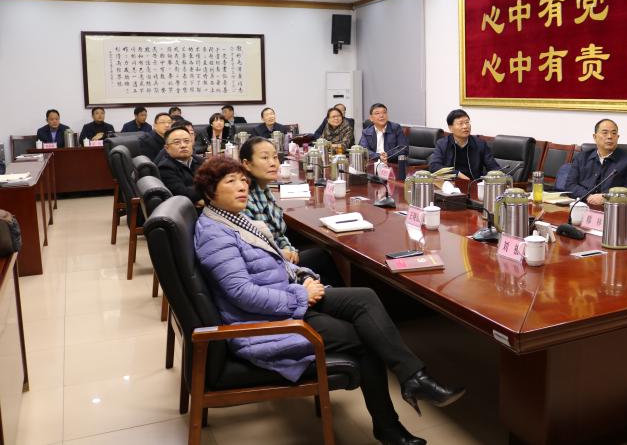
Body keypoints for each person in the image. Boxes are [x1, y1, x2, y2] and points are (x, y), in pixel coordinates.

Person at [193, 156, 464, 445]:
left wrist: (302, 277)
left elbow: (272, 264)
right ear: (210, 191)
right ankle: (389, 427)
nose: (242, 187)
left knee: (364, 297)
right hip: (266, 323)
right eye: (231, 182)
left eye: (243, 180)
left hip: (283, 300)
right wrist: (301, 294)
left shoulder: (233, 219)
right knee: (365, 340)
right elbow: (242, 293)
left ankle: (414, 378)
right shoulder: (214, 234)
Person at [240, 137, 344, 287]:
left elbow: (278, 232)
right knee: (321, 257)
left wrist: (289, 248)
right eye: (265, 158)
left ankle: (334, 294)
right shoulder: (243, 197)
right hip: (270, 268)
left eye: (275, 157)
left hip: (282, 255)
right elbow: (256, 247)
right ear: (246, 164)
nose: (273, 163)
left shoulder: (264, 189)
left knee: (321, 255)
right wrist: (282, 252)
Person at [565, 119, 627, 205]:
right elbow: (570, 185)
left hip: (612, 208)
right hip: (582, 205)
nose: (610, 136)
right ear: (595, 137)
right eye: (605, 133)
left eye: (614, 133)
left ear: (617, 137)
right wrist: (588, 196)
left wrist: (607, 197)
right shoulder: (582, 158)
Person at [428, 109, 499, 180]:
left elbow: (493, 167)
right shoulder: (442, 143)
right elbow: (434, 166)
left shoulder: (480, 144)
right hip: (450, 183)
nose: (465, 126)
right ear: (451, 128)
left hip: (473, 183)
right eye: (460, 123)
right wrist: (457, 174)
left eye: (467, 122)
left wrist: (498, 176)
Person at [156, 126, 204, 205]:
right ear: (167, 148)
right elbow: (185, 194)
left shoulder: (199, 160)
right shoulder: (165, 168)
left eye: (186, 141)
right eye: (177, 142)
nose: (183, 145)